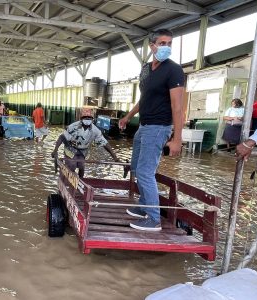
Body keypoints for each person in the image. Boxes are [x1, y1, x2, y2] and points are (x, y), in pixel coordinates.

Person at [118, 28, 185, 232]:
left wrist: (177, 138)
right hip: (144, 126)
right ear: (152, 46)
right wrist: (128, 116)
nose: (166, 47)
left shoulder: (174, 70)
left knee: (146, 172)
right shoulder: (146, 69)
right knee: (137, 168)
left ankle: (153, 218)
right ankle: (143, 207)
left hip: (159, 127)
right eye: (162, 43)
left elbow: (178, 106)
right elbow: (144, 98)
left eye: (169, 43)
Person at [51, 107, 119, 178]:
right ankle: (69, 180)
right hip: (71, 149)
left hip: (83, 151)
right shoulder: (73, 127)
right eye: (85, 117)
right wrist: (55, 150)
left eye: (89, 118)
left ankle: (81, 182)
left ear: (92, 119)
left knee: (81, 166)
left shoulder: (95, 131)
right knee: (72, 166)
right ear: (81, 119)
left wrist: (115, 157)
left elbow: (104, 143)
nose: (87, 119)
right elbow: (62, 137)